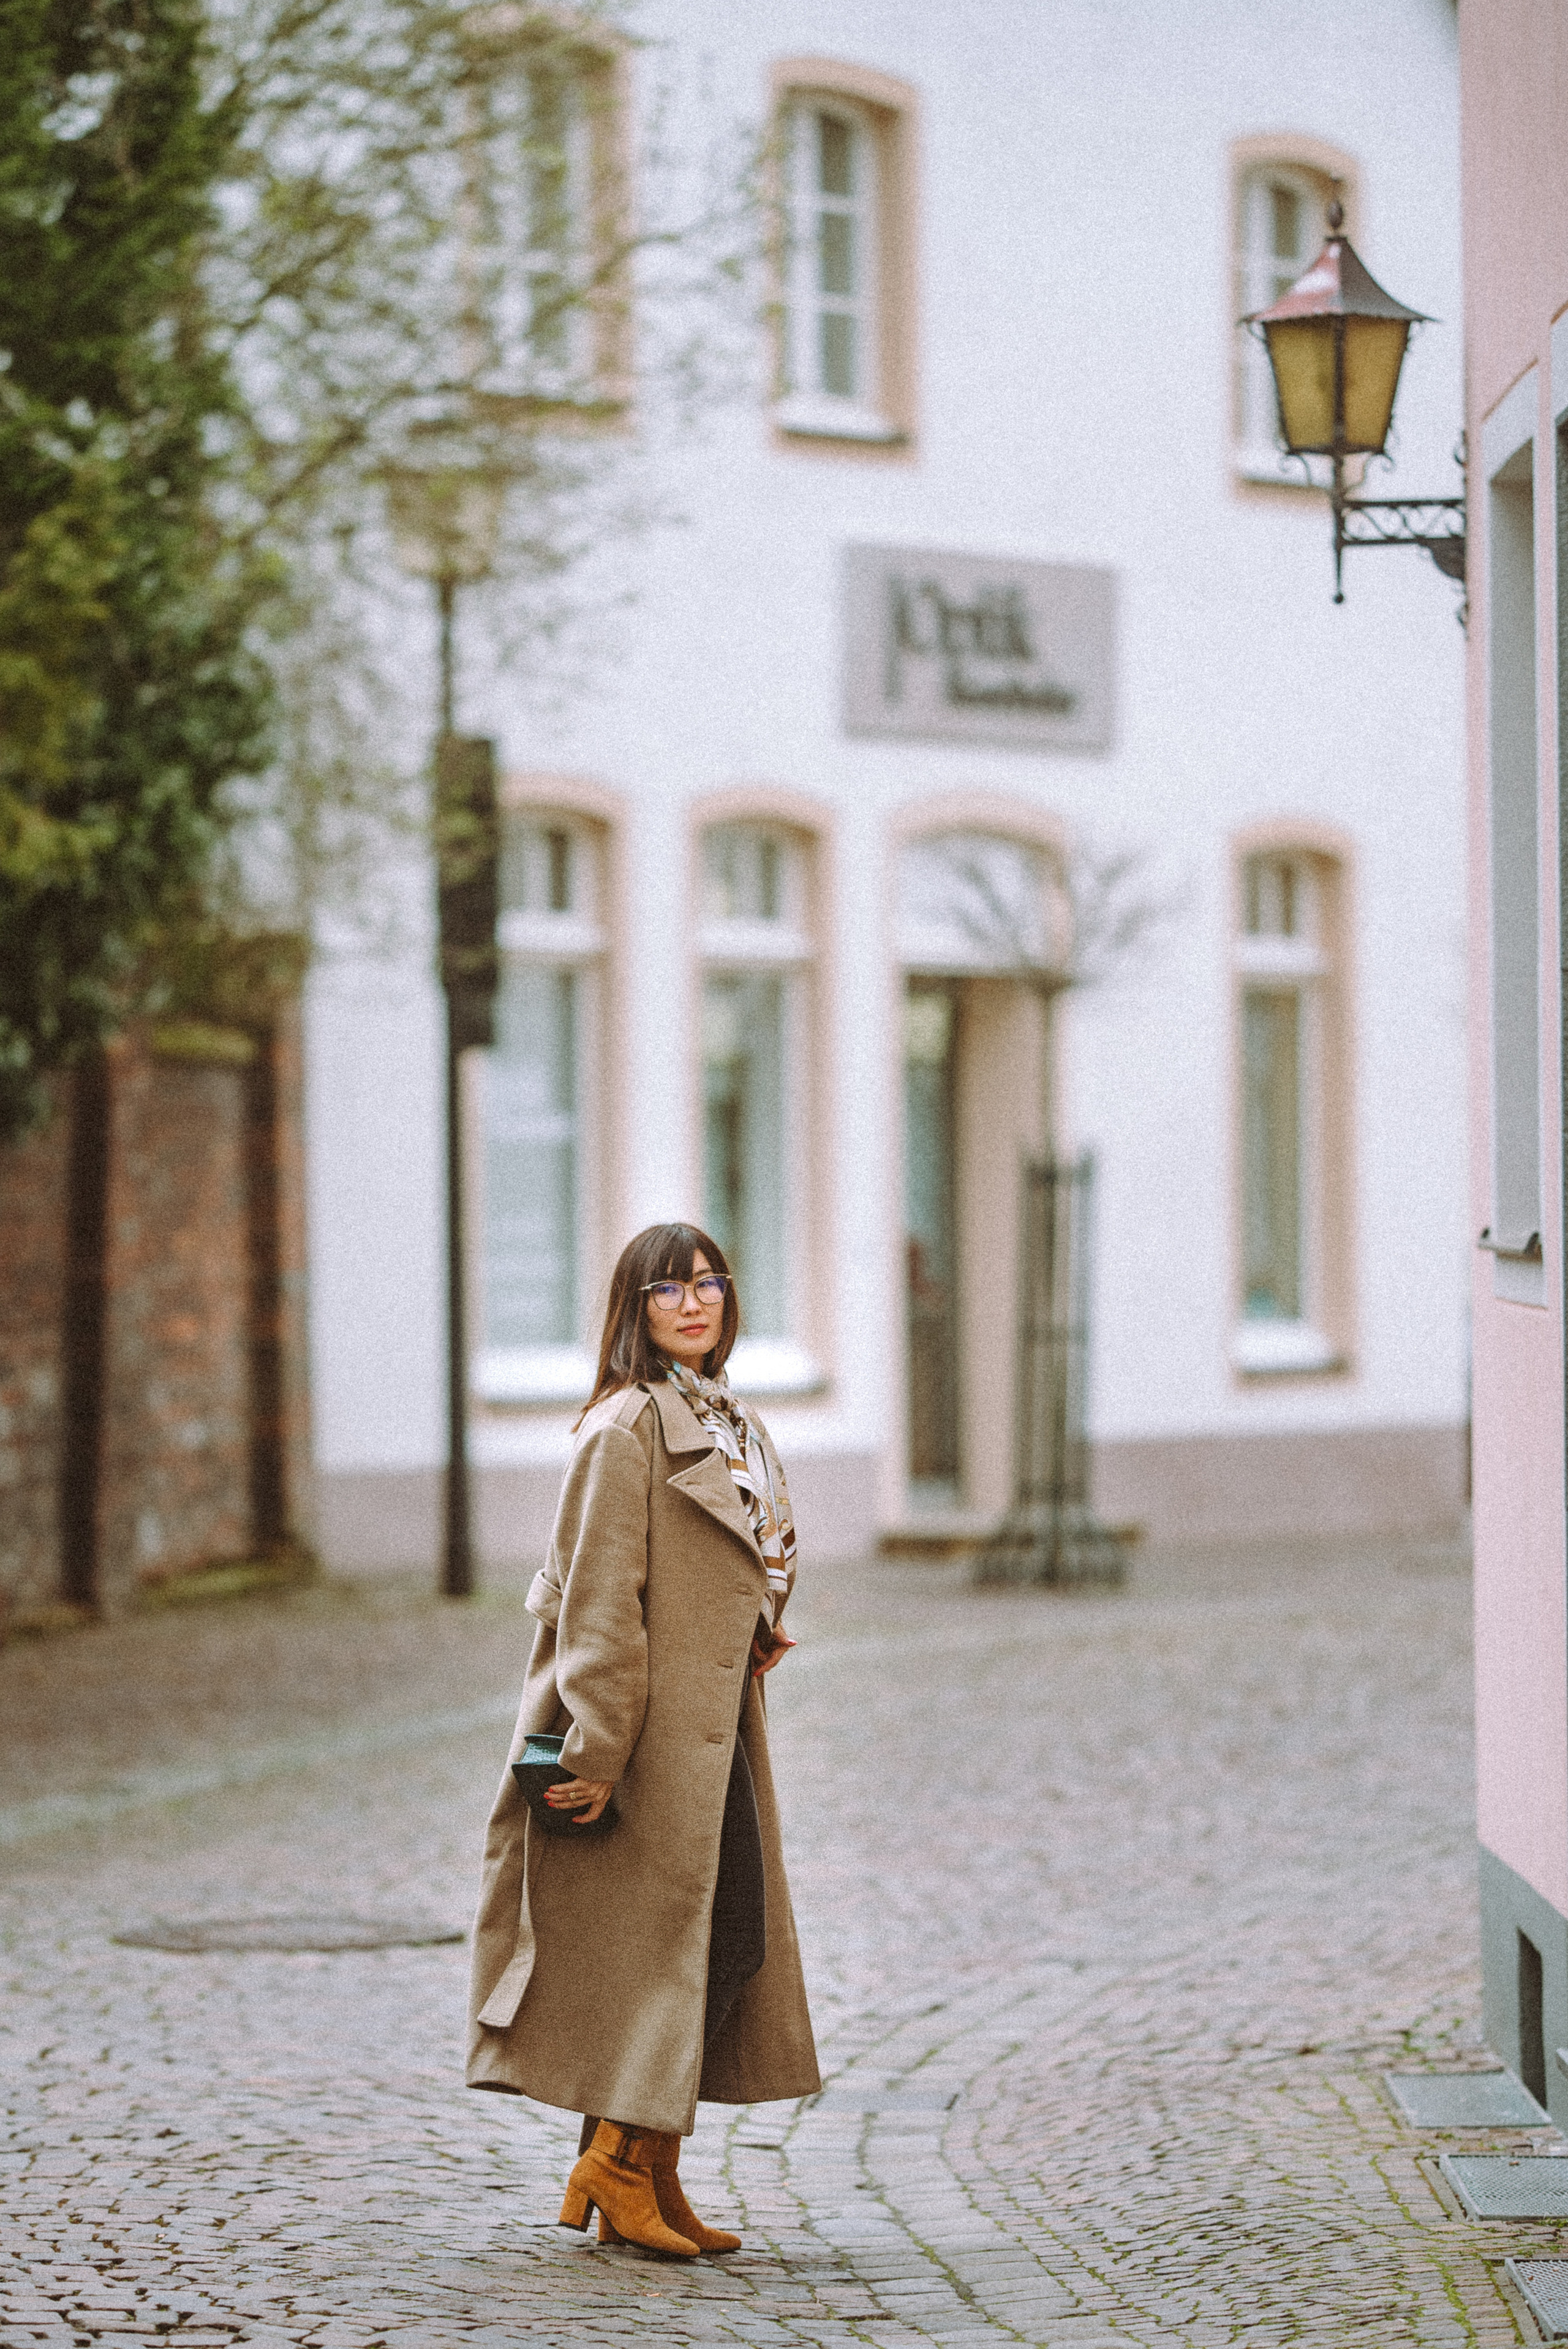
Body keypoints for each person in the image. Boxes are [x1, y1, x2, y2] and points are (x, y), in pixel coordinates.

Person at [467, 1222, 820, 2258]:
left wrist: (758, 1621)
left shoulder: (727, 1419)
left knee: (716, 1940)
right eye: (670, 1289)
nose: (696, 1302)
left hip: (713, 1726)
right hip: (643, 1734)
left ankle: (647, 2171)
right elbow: (599, 1607)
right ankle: (619, 2165)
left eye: (711, 1281)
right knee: (678, 1947)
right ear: (637, 1308)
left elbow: (742, 1551)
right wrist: (598, 1746)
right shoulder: (627, 1426)